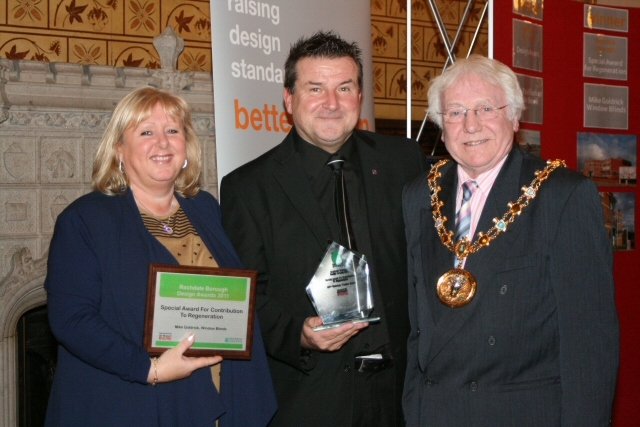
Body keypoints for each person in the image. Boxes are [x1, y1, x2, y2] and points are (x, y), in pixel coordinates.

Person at [220, 31, 427, 427]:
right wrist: (297, 334)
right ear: (289, 98)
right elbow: (245, 298)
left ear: (359, 97)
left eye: (344, 87)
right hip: (312, 398)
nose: (332, 103)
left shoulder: (404, 161)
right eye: (316, 88)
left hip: (403, 394)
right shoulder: (249, 187)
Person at [402, 55, 619, 426]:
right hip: (435, 413)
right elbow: (417, 329)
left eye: (486, 108)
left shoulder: (562, 196)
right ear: (441, 125)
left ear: (515, 117)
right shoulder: (419, 196)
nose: (470, 125)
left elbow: (589, 344)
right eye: (455, 112)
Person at [44, 86, 277, 426]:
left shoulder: (206, 208)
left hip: (218, 396)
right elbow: (71, 319)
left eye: (172, 130)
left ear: (186, 146)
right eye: (146, 132)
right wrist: (150, 369)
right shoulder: (85, 220)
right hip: (130, 402)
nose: (163, 142)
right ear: (119, 149)